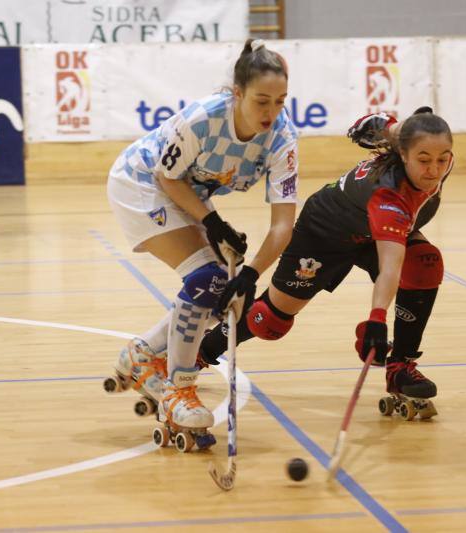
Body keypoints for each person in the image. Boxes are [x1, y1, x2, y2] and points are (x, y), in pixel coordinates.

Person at [104, 39, 298, 450]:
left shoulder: (282, 139)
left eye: (280, 102)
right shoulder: (205, 119)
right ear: (238, 92)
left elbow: (283, 225)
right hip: (142, 181)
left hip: (188, 192)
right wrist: (211, 221)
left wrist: (250, 275)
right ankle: (179, 389)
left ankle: (141, 355)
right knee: (209, 278)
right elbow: (166, 177)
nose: (271, 113)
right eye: (262, 101)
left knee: (225, 291)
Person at [197, 107, 453, 419]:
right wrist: (376, 319)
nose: (434, 170)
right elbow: (390, 267)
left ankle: (400, 365)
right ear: (404, 154)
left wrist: (397, 129)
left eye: (443, 159)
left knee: (425, 263)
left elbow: (397, 261)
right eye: (424, 160)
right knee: (270, 321)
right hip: (325, 232)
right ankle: (202, 351)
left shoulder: (431, 157)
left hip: (374, 232)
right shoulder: (389, 196)